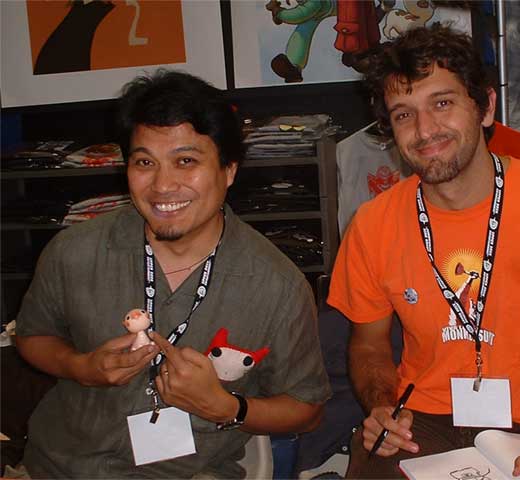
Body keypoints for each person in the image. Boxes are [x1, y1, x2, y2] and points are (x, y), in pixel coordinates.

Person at [328, 25, 520, 479]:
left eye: (442, 103)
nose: (425, 130)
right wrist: (381, 407)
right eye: (404, 114)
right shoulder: (373, 224)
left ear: (486, 107)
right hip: (418, 423)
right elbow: (369, 344)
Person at [14, 69, 331, 478]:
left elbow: (307, 410)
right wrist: (82, 368)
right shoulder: (74, 251)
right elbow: (33, 335)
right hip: (56, 467)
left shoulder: (277, 286)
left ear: (229, 170)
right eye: (145, 162)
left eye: (186, 161)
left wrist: (225, 407)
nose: (162, 185)